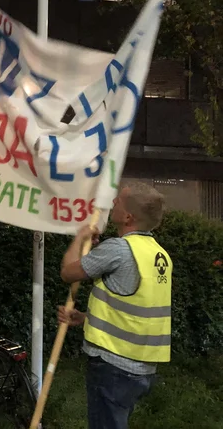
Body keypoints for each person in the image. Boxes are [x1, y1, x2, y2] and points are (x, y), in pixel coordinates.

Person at [58, 182, 172, 429]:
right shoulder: (158, 253)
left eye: (117, 202)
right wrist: (86, 318)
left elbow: (68, 273)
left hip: (113, 367)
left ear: (128, 217)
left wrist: (80, 237)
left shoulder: (118, 249)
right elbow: (134, 305)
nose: (112, 204)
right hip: (141, 368)